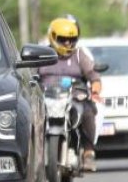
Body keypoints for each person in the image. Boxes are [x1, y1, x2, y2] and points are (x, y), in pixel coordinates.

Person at [41, 16, 103, 171]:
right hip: (45, 99)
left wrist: (95, 89)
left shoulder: (79, 55)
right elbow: (28, 75)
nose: (68, 43)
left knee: (88, 111)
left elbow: (93, 76)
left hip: (73, 99)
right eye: (63, 39)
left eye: (71, 39)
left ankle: (88, 153)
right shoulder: (42, 55)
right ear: (53, 37)